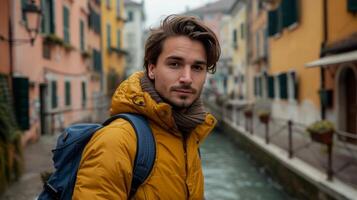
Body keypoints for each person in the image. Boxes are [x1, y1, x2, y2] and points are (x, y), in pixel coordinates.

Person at [73, 14, 221, 199]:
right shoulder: (116, 140)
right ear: (152, 69)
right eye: (174, 64)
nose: (187, 78)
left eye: (197, 68)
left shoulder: (189, 134)